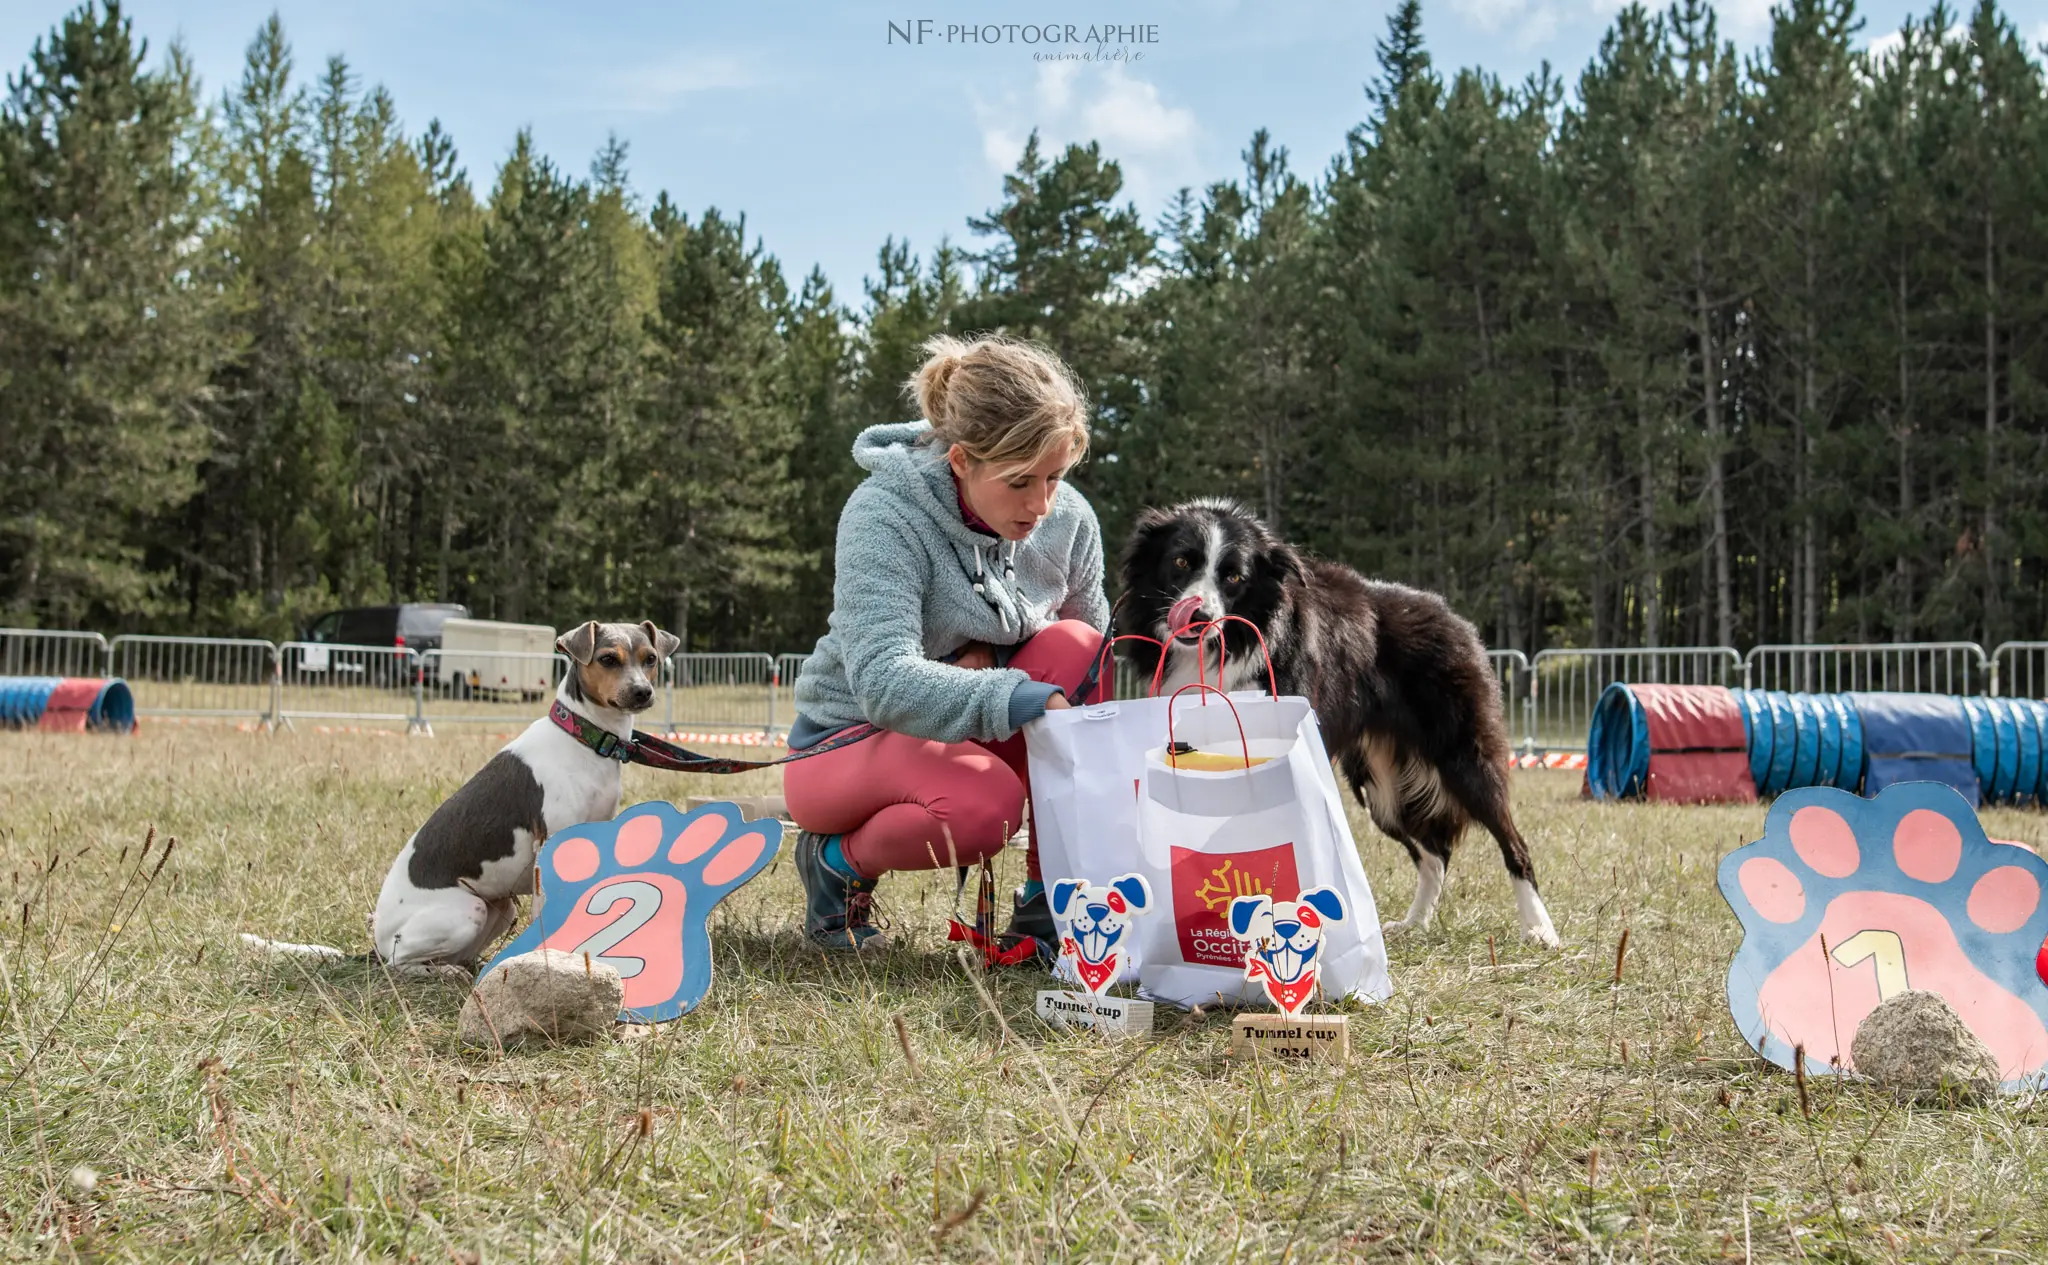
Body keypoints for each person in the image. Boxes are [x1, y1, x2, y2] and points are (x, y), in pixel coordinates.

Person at [783, 332, 1111, 954]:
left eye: (1056, 475)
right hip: (847, 743)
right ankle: (836, 865)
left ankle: (1052, 902)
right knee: (986, 809)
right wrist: (1013, 690)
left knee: (1082, 648)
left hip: (958, 728)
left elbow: (1090, 667)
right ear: (961, 460)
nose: (1042, 503)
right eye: (1020, 481)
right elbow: (882, 680)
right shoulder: (884, 512)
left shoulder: (1068, 518)